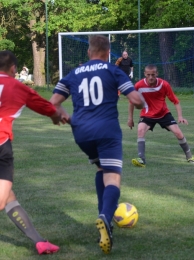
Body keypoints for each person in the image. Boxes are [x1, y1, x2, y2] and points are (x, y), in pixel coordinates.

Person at [49, 35, 144, 254]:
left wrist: (64, 117)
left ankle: (105, 217)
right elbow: (136, 100)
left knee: (101, 168)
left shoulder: (73, 74)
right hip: (107, 131)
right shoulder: (113, 70)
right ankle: (105, 217)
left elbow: (52, 104)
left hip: (81, 133)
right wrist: (142, 102)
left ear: (89, 52)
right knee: (113, 178)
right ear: (108, 52)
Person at [0, 50, 61, 255]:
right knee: (1, 199)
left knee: (8, 197)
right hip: (1, 145)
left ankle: (39, 241)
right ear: (14, 69)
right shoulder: (17, 86)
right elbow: (47, 107)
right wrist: (58, 116)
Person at [128, 64, 194, 167]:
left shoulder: (164, 84)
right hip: (147, 114)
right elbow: (131, 102)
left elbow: (176, 101)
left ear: (157, 74)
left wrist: (180, 117)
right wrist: (130, 119)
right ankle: (141, 160)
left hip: (163, 113)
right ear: (145, 74)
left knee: (178, 133)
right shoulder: (138, 86)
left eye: (153, 74)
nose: (151, 77)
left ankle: (189, 157)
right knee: (140, 130)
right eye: (148, 75)